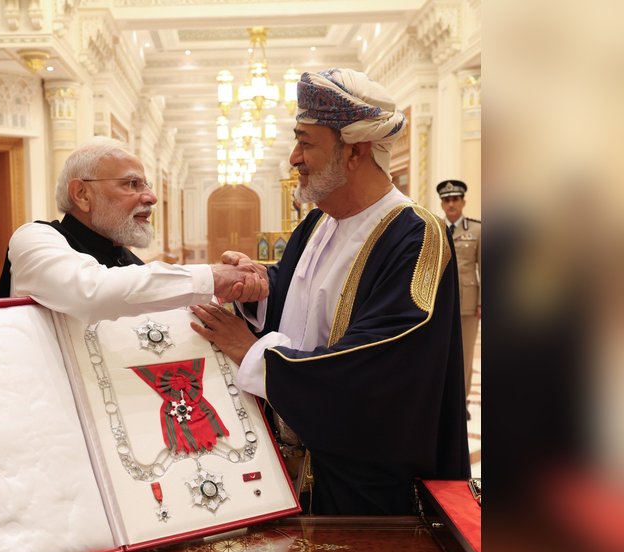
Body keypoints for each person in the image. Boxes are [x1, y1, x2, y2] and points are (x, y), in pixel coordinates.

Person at [190, 68, 470, 515]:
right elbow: (299, 291)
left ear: (354, 152)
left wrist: (256, 354)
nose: (293, 157)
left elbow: (382, 362)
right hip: (290, 464)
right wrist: (258, 285)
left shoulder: (416, 236)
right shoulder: (320, 220)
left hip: (364, 485)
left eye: (306, 142)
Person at [0, 137, 267, 322]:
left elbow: (153, 300)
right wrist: (213, 276)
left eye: (146, 184)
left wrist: (237, 288)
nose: (150, 197)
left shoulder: (126, 259)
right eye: (131, 184)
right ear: (82, 194)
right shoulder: (34, 238)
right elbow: (90, 293)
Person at [438, 180, 481, 420]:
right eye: (447, 200)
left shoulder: (476, 230)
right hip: (439, 302)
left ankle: (460, 401)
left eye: (455, 199)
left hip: (467, 302)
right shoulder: (432, 228)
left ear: (463, 202)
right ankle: (442, 398)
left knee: (464, 354)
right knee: (440, 352)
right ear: (442, 204)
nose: (451, 204)